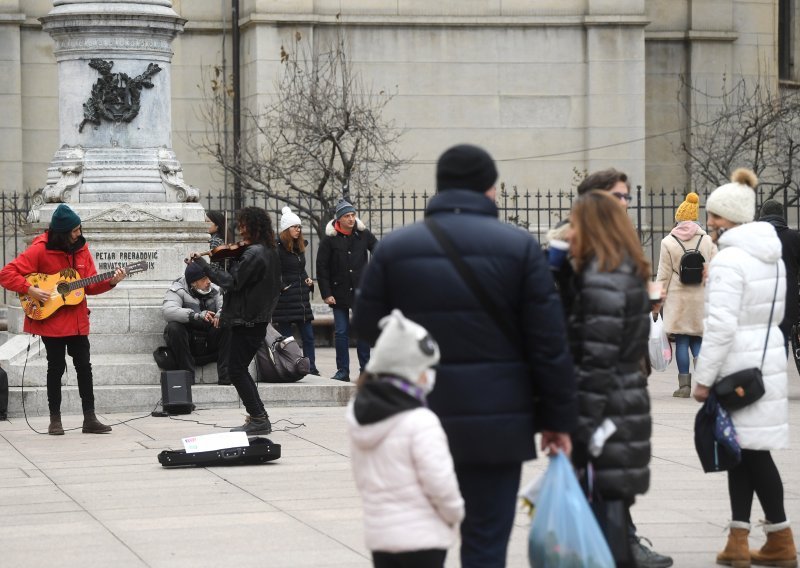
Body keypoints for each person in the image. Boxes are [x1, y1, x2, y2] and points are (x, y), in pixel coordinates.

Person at [353, 144, 577, 568]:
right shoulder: (519, 247)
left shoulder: (395, 248)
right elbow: (549, 344)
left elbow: (366, 326)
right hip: (497, 423)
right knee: (486, 545)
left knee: (418, 543)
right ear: (490, 190)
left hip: (414, 416)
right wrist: (557, 421)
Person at [692, 169, 796, 567]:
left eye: (715, 216)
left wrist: (702, 380)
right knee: (747, 452)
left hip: (738, 362)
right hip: (765, 358)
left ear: (730, 217)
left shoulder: (729, 260)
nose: (710, 223)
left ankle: (777, 539)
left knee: (752, 454)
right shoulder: (769, 255)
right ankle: (744, 539)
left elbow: (720, 327)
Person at [561, 190, 653, 567]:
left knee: (604, 519)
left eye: (575, 222)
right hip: (623, 402)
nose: (569, 230)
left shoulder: (604, 276)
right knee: (609, 511)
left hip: (607, 409)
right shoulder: (622, 268)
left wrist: (580, 427)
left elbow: (597, 358)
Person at [347, 309, 464, 568]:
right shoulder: (421, 421)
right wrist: (455, 512)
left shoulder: (359, 415)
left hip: (381, 538)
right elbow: (440, 482)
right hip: (423, 539)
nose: (430, 376)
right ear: (411, 370)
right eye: (427, 368)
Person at [0, 204, 126, 435]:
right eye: (75, 230)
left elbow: (88, 285)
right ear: (62, 232)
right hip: (52, 321)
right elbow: (6, 274)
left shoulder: (81, 249)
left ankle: (90, 418)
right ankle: (55, 420)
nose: (79, 233)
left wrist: (113, 281)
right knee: (55, 368)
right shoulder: (39, 250)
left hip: (78, 320)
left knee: (84, 368)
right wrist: (30, 289)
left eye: (79, 228)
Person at [188, 206, 281, 435]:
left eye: (243, 224)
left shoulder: (253, 254)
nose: (239, 230)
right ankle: (258, 416)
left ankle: (259, 418)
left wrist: (204, 266)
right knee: (238, 368)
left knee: (236, 369)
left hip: (246, 320)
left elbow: (231, 282)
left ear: (252, 225)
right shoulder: (268, 251)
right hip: (256, 318)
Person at [655, 192, 717, 397]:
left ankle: (684, 387)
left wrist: (656, 302)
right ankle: (703, 384)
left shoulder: (668, 242)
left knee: (681, 341)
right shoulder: (707, 241)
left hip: (677, 298)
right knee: (698, 340)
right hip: (700, 296)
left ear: (678, 219)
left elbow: (663, 275)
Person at [316, 198, 377, 382]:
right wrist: (326, 293)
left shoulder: (363, 234)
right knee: (341, 332)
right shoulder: (330, 240)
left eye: (353, 215)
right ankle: (342, 370)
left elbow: (379, 250)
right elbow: (322, 267)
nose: (351, 219)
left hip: (360, 292)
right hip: (338, 293)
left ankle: (366, 371)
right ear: (339, 219)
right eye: (347, 216)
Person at [161, 262, 230, 385]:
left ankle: (226, 376)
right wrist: (195, 316)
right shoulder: (178, 289)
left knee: (227, 323)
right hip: (189, 343)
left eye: (209, 277)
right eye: (204, 279)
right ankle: (187, 376)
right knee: (173, 328)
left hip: (209, 342)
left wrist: (221, 314)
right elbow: (168, 311)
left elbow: (226, 306)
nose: (208, 281)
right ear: (193, 283)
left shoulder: (214, 288)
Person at [272, 206, 319, 375]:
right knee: (286, 339)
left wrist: (308, 280)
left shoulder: (299, 247)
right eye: (294, 227)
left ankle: (311, 367)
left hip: (300, 298)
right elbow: (273, 272)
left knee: (308, 336)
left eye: (299, 227)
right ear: (286, 229)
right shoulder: (277, 248)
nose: (298, 230)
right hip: (285, 299)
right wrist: (283, 286)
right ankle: (290, 367)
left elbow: (301, 269)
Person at [759, 199, 800, 349]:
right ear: (782, 215)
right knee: (782, 340)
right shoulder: (794, 238)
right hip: (786, 297)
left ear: (762, 215)